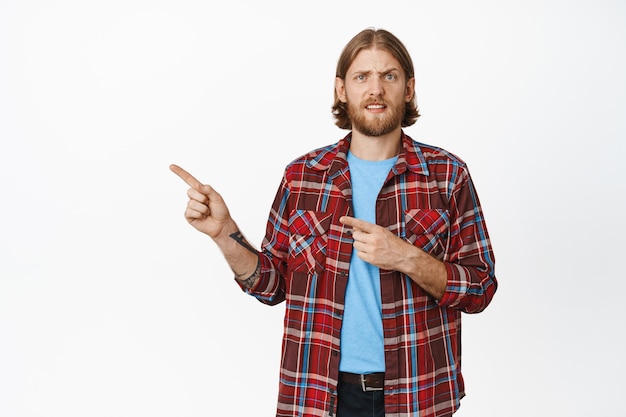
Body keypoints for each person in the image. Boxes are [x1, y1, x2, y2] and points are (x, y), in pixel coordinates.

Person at [171, 27, 497, 417]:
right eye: (362, 77)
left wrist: (406, 257)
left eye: (389, 76)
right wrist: (224, 234)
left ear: (408, 89)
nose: (375, 89)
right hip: (319, 394)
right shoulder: (303, 176)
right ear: (342, 90)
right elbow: (272, 284)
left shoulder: (447, 175)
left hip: (418, 393)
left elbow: (480, 287)